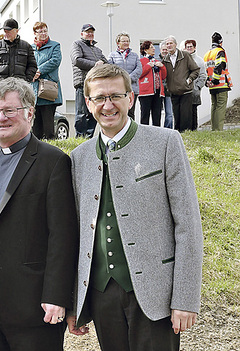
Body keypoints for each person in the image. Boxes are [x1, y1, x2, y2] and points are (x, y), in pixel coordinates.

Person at [67, 64, 203, 351]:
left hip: (157, 293)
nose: (108, 105)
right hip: (102, 293)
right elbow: (74, 234)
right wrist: (74, 303)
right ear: (88, 103)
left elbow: (188, 226)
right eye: (99, 98)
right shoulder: (78, 158)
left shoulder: (165, 142)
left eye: (116, 96)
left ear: (131, 98)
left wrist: (185, 298)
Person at [0, 77, 78, 350]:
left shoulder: (53, 162)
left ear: (29, 113)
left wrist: (57, 297)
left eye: (9, 111)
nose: (0, 118)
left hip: (35, 307)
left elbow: (63, 236)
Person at [71, 23, 107, 138]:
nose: (90, 34)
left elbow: (107, 63)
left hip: (96, 85)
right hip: (83, 82)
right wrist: (95, 64)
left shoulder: (97, 50)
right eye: (87, 32)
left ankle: (89, 137)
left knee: (93, 111)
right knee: (81, 112)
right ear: (82, 34)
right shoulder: (77, 44)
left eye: (92, 32)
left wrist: (103, 64)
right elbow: (76, 60)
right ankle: (80, 137)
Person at [31, 21, 62, 140]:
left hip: (48, 88)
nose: (43, 33)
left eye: (45, 31)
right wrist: (32, 72)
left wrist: (39, 70)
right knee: (36, 126)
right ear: (35, 33)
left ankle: (51, 147)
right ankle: (36, 149)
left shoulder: (55, 45)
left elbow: (55, 61)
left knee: (49, 126)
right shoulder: (31, 48)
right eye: (40, 31)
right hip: (35, 90)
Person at [162, 35, 199, 132]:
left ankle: (186, 137)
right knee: (177, 117)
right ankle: (178, 137)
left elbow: (195, 70)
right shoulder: (165, 59)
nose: (169, 45)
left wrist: (189, 80)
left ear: (175, 44)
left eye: (171, 43)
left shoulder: (185, 55)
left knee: (185, 117)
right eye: (167, 44)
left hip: (186, 91)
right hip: (173, 92)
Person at [0, 18, 37, 83]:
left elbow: (32, 66)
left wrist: (26, 80)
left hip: (20, 86)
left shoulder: (26, 46)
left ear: (16, 31)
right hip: (0, 85)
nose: (6, 34)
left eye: (9, 31)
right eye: (5, 31)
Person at [108, 32, 141, 120]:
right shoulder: (112, 55)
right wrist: (120, 79)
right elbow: (111, 69)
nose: (126, 43)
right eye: (124, 41)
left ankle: (131, 132)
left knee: (131, 111)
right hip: (118, 88)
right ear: (118, 43)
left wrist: (128, 78)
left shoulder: (135, 55)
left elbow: (139, 69)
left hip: (132, 88)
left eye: (127, 41)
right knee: (119, 110)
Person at [204, 32, 232, 131]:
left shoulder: (208, 54)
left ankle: (214, 129)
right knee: (220, 107)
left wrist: (209, 81)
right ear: (220, 42)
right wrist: (216, 80)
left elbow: (206, 70)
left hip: (211, 85)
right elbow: (220, 66)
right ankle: (218, 130)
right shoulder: (220, 51)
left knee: (214, 106)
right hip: (220, 84)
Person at [138, 40, 167, 126]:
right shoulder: (141, 61)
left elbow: (163, 76)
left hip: (158, 92)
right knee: (145, 115)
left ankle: (157, 133)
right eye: (151, 47)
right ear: (145, 50)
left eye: (154, 47)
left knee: (157, 115)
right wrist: (148, 66)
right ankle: (144, 133)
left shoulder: (156, 61)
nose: (154, 49)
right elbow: (139, 74)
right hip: (146, 92)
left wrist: (162, 67)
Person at [183, 39, 206, 131]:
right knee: (185, 110)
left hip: (194, 90)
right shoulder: (182, 59)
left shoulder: (199, 60)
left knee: (193, 111)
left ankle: (194, 129)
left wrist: (198, 87)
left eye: (190, 46)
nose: (189, 48)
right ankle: (186, 129)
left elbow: (203, 75)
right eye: (187, 47)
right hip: (183, 89)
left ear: (194, 47)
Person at [159, 41, 174, 128]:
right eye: (163, 49)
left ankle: (168, 130)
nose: (165, 51)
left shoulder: (172, 61)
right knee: (156, 113)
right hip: (158, 91)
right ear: (160, 50)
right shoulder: (156, 60)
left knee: (169, 114)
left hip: (169, 91)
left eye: (166, 49)